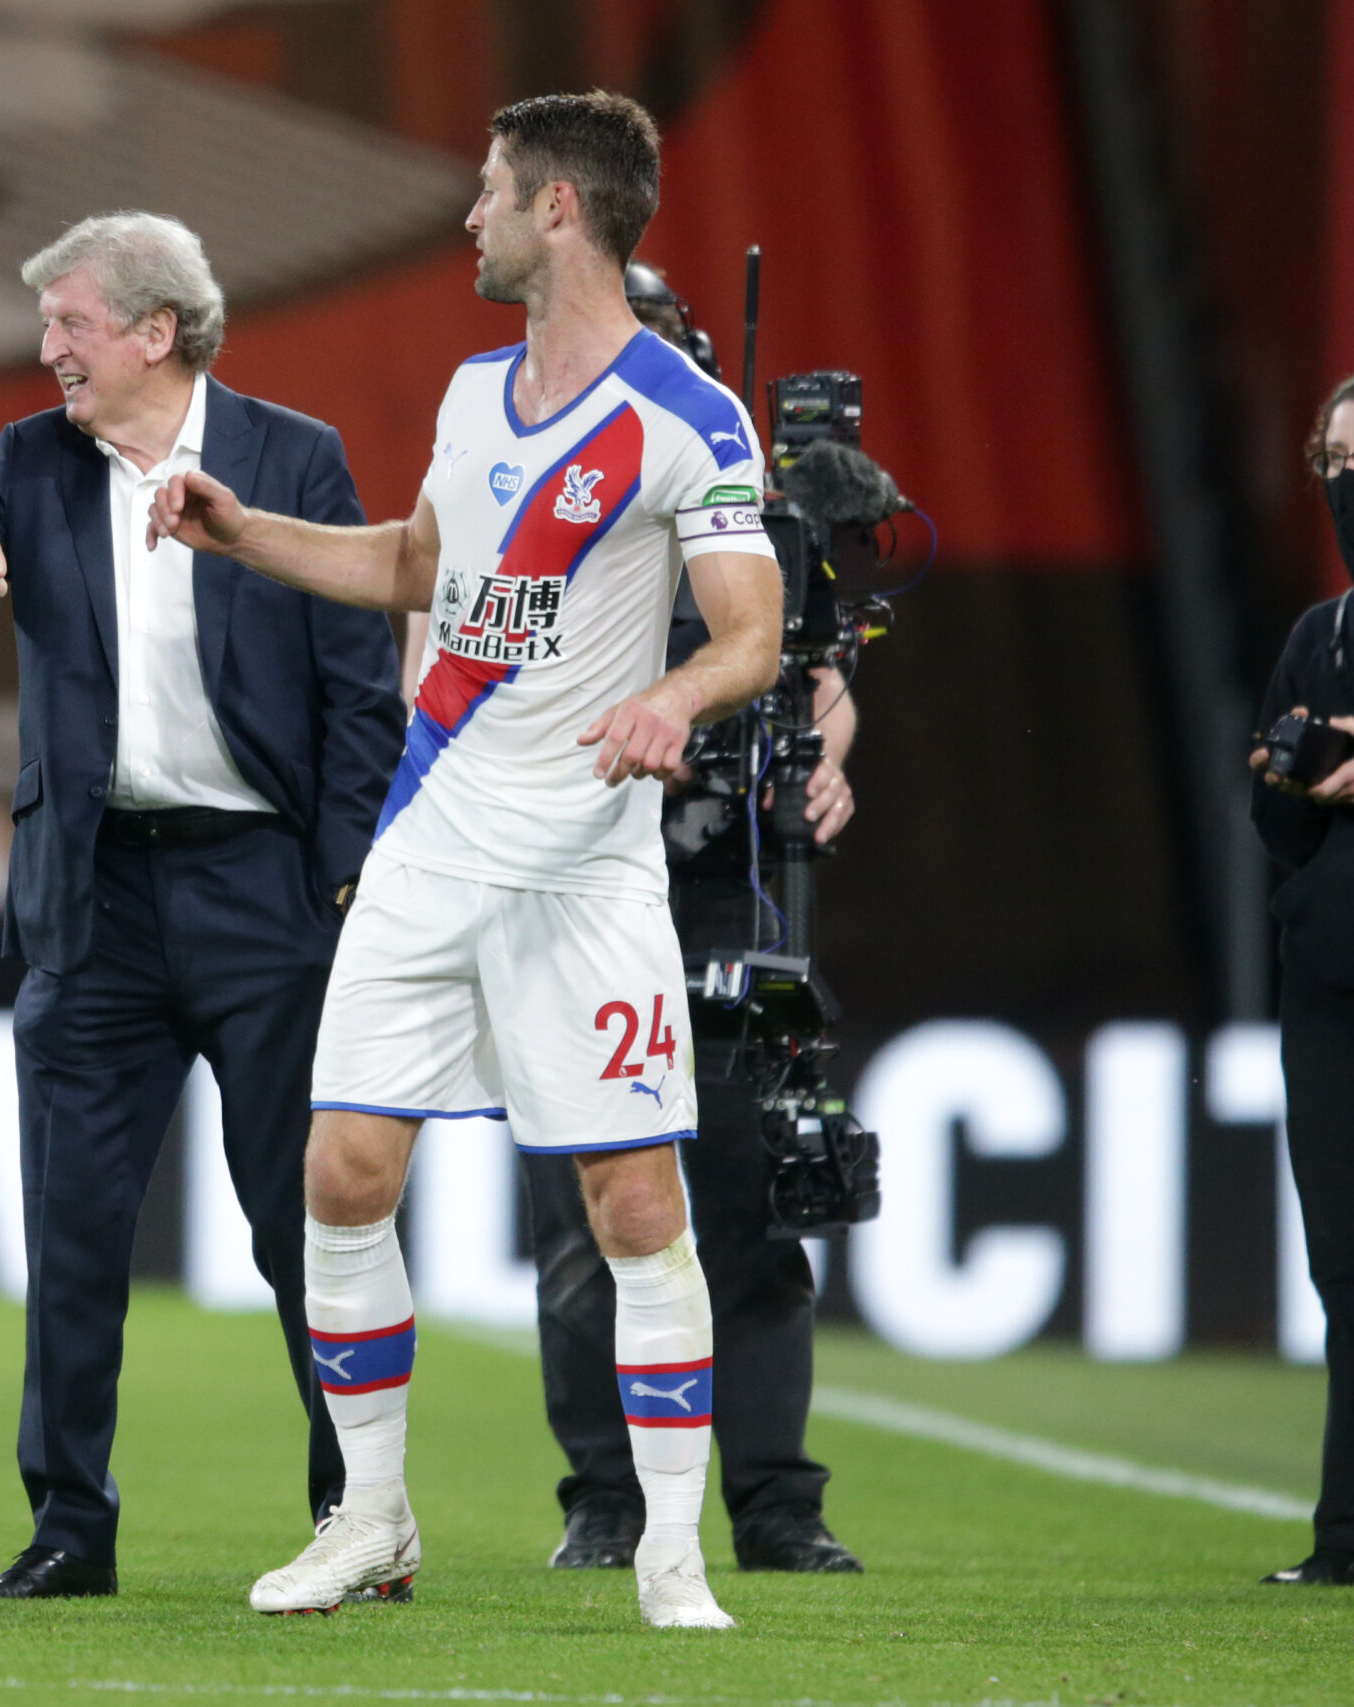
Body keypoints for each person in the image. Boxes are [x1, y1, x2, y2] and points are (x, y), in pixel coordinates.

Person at [148, 92, 784, 1627]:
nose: (470, 216)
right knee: (342, 1173)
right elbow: (416, 566)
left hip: (581, 862)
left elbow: (752, 629)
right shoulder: (469, 388)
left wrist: (671, 692)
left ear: (560, 208)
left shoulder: (686, 413)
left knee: (637, 1206)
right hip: (432, 836)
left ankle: (673, 1549)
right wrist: (245, 534)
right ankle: (370, 1518)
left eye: (492, 191)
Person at [0, 212, 404, 1599]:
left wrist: (345, 888)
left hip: (261, 889)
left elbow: (360, 692)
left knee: (304, 1223)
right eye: (48, 328)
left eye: (72, 327)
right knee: (74, 1227)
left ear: (157, 332)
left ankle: (359, 1513)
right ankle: (69, 1529)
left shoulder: (293, 457)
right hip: (92, 894)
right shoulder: (29, 460)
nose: (48, 352)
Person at [519, 261, 863, 1578]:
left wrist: (827, 754)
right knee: (583, 1231)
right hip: (579, 888)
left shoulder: (755, 517)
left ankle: (777, 1505)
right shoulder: (526, 506)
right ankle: (606, 1499)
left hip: (736, 892)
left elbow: (819, 672)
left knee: (756, 1215)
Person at [1248, 373, 1354, 1587]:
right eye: (1331, 461)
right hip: (1327, 980)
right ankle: (1343, 1539)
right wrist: (1287, 782)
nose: (1343, 485)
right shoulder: (1316, 636)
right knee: (1342, 1266)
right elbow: (1273, 823)